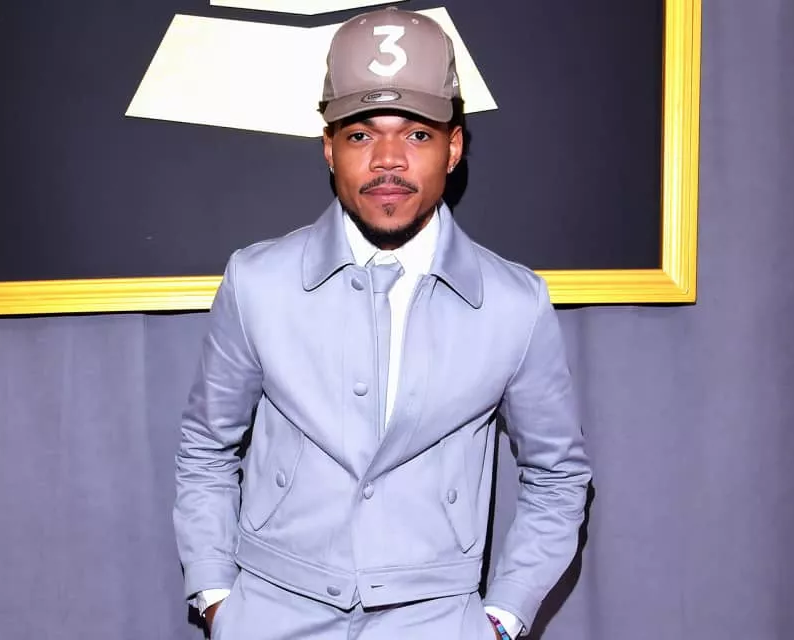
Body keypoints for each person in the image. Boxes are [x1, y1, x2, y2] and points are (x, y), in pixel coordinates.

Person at [173, 7, 591, 639]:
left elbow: (557, 476)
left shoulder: (514, 303)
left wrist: (502, 618)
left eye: (417, 134)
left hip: (437, 621)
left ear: (454, 148)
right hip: (271, 615)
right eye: (361, 135)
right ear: (329, 148)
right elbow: (206, 447)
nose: (388, 160)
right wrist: (216, 598)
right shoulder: (258, 281)